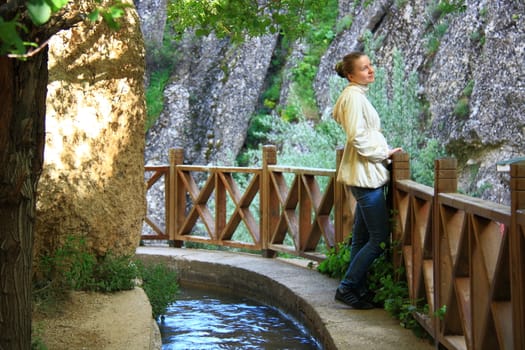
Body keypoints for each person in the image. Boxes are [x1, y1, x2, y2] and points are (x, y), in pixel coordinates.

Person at [332, 52, 402, 309]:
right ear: (351, 75)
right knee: (379, 238)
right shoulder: (352, 97)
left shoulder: (355, 96)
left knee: (362, 238)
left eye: (370, 65)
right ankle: (348, 287)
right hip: (365, 177)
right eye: (364, 68)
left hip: (364, 174)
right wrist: (382, 154)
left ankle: (357, 288)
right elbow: (357, 136)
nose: (370, 70)